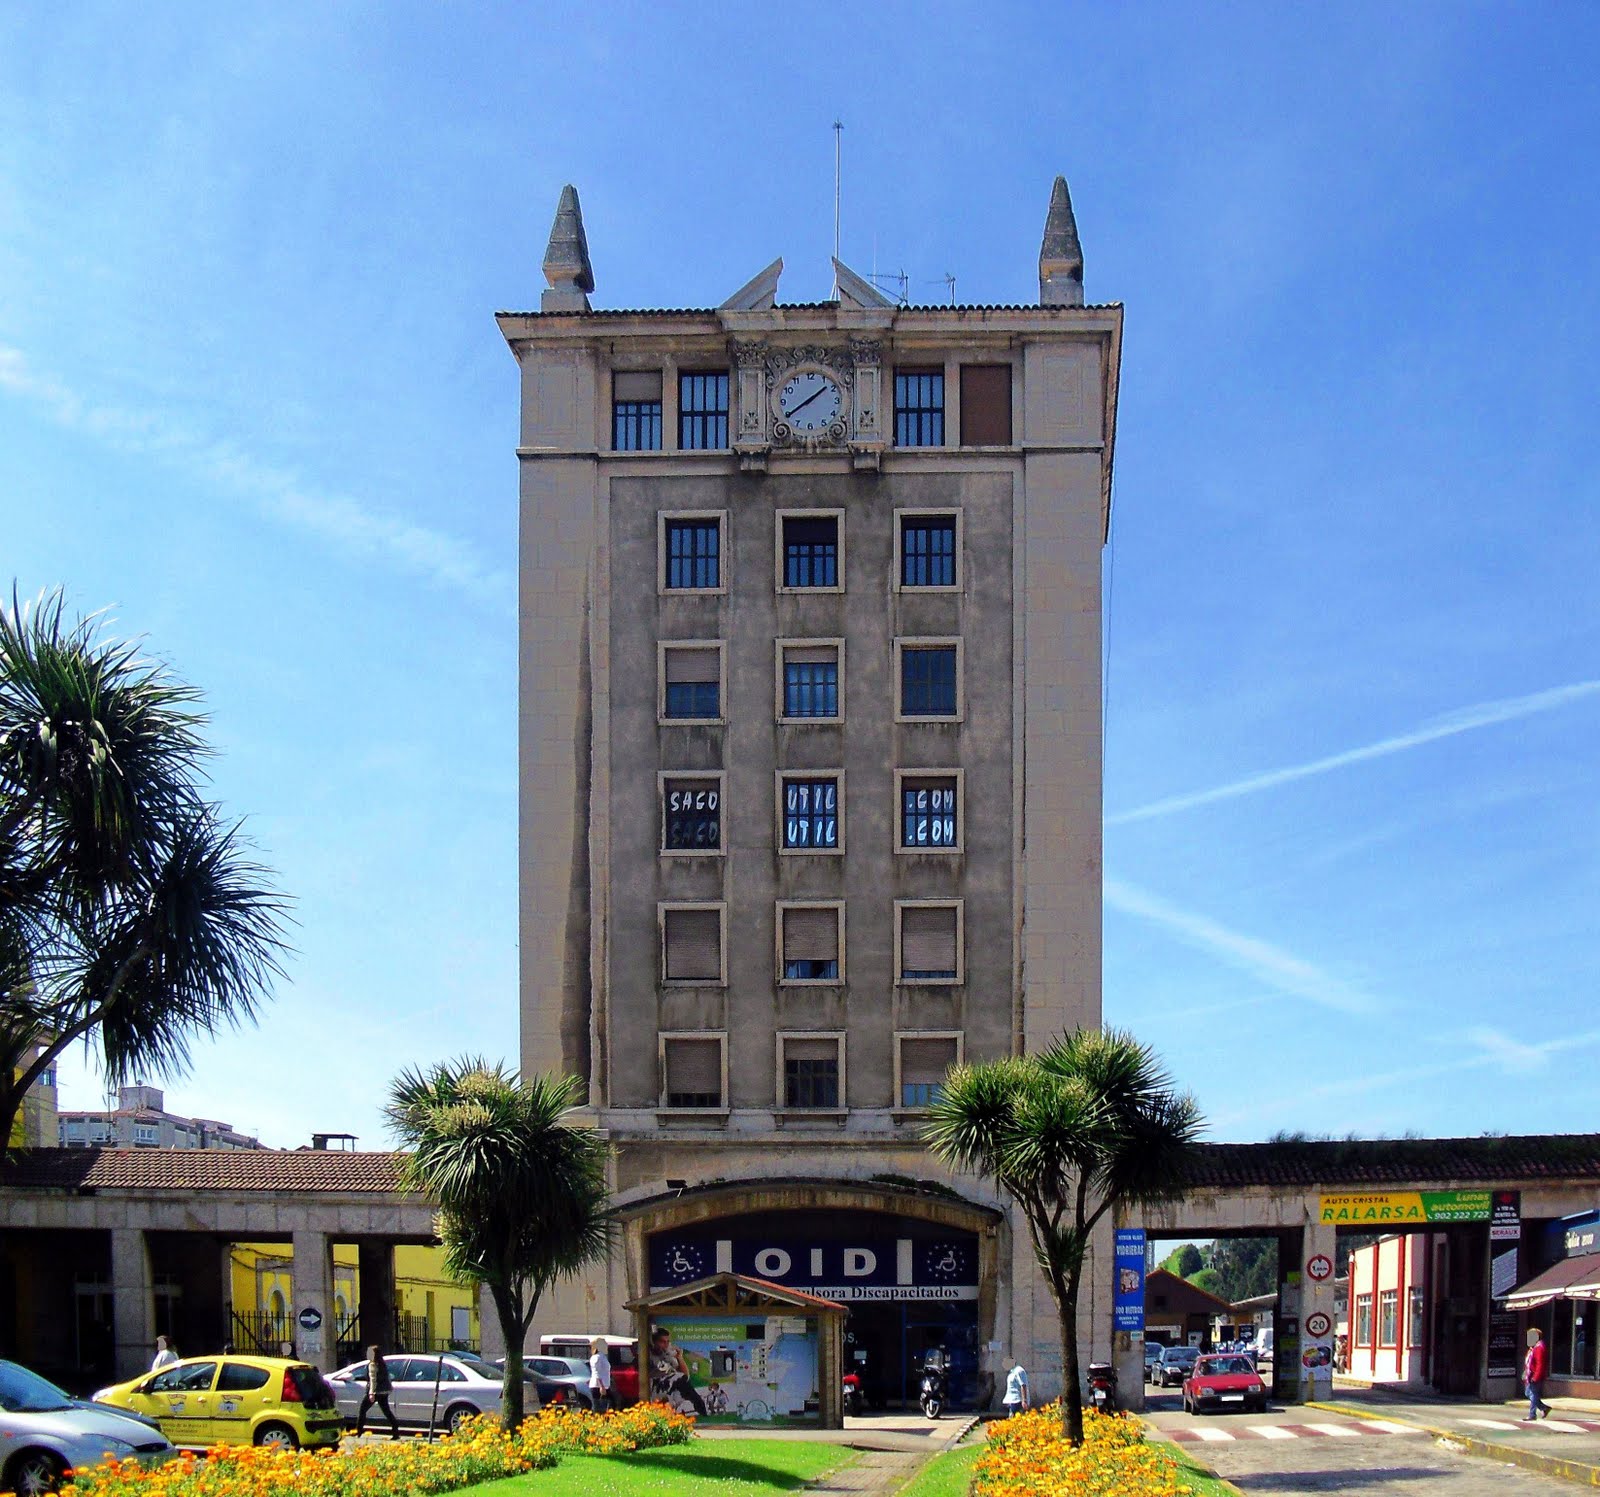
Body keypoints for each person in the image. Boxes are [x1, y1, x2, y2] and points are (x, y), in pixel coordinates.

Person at [648, 1326, 707, 1416]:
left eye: (667, 1342)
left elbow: (685, 1376)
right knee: (680, 1381)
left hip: (670, 1388)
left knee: (683, 1385)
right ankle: (699, 1406)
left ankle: (699, 1407)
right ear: (655, 1342)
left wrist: (679, 1357)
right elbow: (674, 1373)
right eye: (662, 1342)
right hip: (656, 1387)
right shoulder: (651, 1355)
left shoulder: (667, 1355)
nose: (666, 1345)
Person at [357, 1344, 401, 1439]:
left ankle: (358, 1431)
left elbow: (373, 1379)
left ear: (373, 1354)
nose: (367, 1354)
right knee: (387, 1411)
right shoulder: (382, 1363)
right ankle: (395, 1431)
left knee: (362, 1410)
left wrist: (371, 1393)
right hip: (384, 1391)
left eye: (369, 1352)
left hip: (376, 1391)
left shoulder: (372, 1364)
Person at [1525, 1329, 1552, 1421]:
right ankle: (1543, 1408)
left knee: (1533, 1394)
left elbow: (1540, 1363)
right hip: (1530, 1374)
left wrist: (1536, 1376)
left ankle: (1532, 1415)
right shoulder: (1533, 1347)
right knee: (1528, 1393)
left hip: (1535, 1375)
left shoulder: (1539, 1348)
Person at [588, 1335, 614, 1412]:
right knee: (599, 1408)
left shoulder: (603, 1357)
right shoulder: (596, 1357)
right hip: (598, 1386)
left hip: (605, 1385)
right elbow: (597, 1372)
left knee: (607, 1406)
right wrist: (601, 1386)